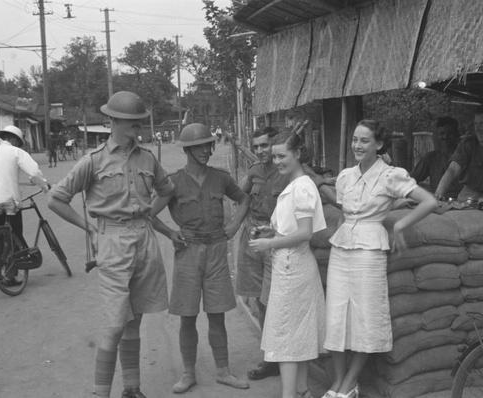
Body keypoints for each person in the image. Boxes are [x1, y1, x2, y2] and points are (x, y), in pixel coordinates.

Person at [48, 91, 174, 398]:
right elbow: (56, 199)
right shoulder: (92, 161)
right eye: (131, 121)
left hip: (144, 241)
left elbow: (166, 190)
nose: (138, 126)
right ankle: (99, 393)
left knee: (136, 319)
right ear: (114, 121)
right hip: (112, 243)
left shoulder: (148, 158)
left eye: (139, 121)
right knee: (115, 323)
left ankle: (131, 389)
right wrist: (89, 229)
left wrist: (148, 215)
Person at [323, 120, 437, 398]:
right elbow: (342, 213)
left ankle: (350, 382)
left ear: (379, 144)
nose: (357, 146)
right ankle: (337, 381)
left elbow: (429, 201)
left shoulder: (391, 175)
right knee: (336, 316)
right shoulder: (345, 176)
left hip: (369, 251)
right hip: (341, 250)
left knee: (366, 316)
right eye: (354, 140)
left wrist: (399, 225)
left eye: (364, 141)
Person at [150, 123, 250, 394]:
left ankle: (223, 371)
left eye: (208, 145)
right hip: (188, 253)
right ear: (187, 150)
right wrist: (170, 233)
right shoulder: (172, 183)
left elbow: (244, 200)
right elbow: (149, 214)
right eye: (198, 146)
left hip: (217, 250)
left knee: (217, 316)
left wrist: (234, 226)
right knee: (187, 316)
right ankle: (188, 373)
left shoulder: (221, 178)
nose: (205, 150)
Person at [236, 126, 338, 381]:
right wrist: (260, 230)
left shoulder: (299, 182)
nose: (272, 158)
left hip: (288, 259)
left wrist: (270, 244)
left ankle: (290, 380)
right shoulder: (266, 175)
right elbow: (245, 198)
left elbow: (307, 228)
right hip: (274, 250)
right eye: (274, 156)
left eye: (280, 155)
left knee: (283, 322)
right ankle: (287, 375)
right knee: (272, 312)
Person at [0, 125, 49, 285]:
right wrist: (44, 186)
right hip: (11, 202)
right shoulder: (17, 152)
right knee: (14, 236)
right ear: (15, 140)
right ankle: (10, 275)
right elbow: (33, 172)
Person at [435, 105, 483, 207]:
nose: (477, 128)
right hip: (471, 195)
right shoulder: (468, 144)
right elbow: (452, 170)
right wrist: (438, 194)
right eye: (475, 124)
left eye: (482, 124)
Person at [410, 117, 462, 198]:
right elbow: (410, 179)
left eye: (449, 133)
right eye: (442, 133)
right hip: (439, 204)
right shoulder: (430, 158)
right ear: (438, 136)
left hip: (463, 204)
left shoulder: (465, 157)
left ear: (456, 134)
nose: (445, 136)